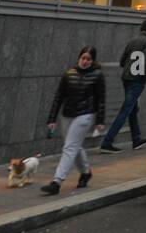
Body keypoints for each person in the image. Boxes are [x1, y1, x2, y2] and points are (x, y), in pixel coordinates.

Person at [41, 46, 106, 195]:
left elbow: (100, 99)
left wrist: (100, 120)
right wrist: (52, 118)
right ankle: (85, 172)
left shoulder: (97, 76)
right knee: (74, 146)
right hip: (67, 114)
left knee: (70, 147)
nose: (85, 61)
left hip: (85, 114)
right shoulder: (68, 74)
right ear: (79, 58)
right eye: (83, 58)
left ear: (93, 61)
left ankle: (57, 181)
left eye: (88, 59)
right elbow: (59, 97)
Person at [100, 20, 146, 153]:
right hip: (137, 80)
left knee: (132, 109)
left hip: (126, 78)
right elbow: (145, 62)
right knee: (125, 110)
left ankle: (136, 139)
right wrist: (143, 80)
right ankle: (107, 142)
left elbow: (122, 61)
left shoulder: (132, 41)